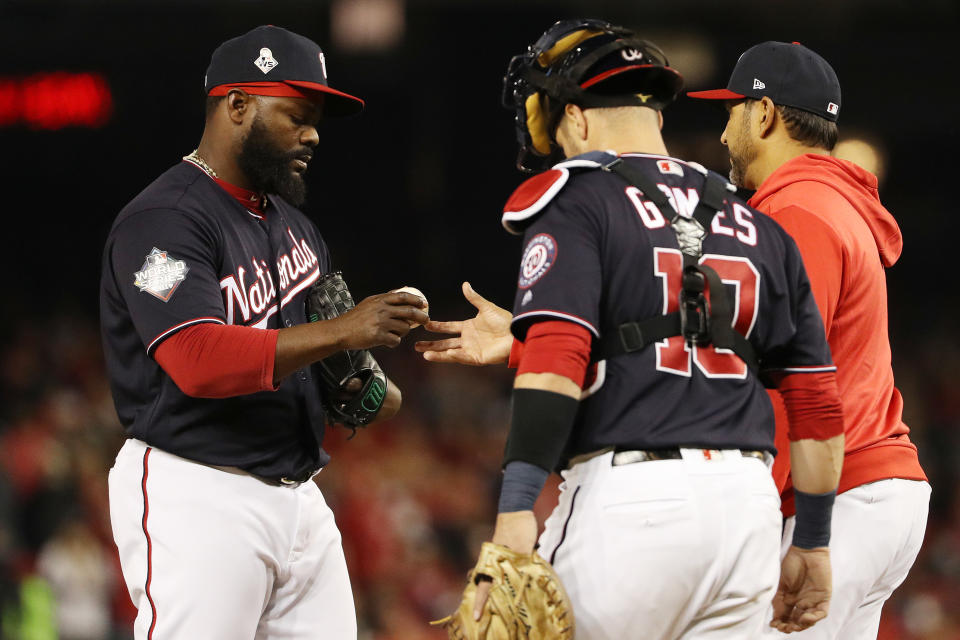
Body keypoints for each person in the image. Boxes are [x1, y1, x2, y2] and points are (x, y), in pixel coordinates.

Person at [418, 19, 845, 638]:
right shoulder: (756, 222)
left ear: (576, 119)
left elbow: (557, 363)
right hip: (746, 512)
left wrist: (515, 514)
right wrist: (813, 541)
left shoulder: (580, 199)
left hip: (633, 506)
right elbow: (815, 398)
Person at [99, 25, 428, 639]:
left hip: (298, 495)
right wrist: (342, 329)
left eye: (317, 119)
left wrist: (374, 382)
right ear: (238, 104)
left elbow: (345, 375)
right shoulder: (164, 222)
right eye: (297, 115)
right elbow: (195, 358)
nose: (313, 134)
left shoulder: (295, 226)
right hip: (197, 491)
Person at [687, 41, 930, 639]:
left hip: (841, 501)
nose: (723, 136)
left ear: (764, 113)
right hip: (872, 496)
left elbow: (793, 375)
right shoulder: (831, 201)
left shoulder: (797, 212)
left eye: (731, 112)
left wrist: (749, 515)